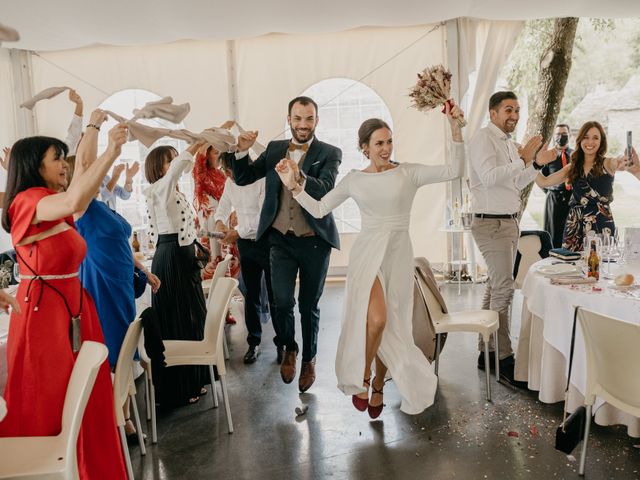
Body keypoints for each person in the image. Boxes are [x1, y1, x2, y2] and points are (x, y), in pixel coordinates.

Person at [275, 104, 464, 416]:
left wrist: (456, 129)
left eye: (389, 142)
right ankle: (363, 376)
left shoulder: (408, 173)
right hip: (368, 254)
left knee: (391, 325)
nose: (386, 148)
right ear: (364, 148)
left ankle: (379, 384)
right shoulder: (354, 180)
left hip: (399, 253)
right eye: (379, 143)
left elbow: (453, 171)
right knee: (376, 319)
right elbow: (321, 209)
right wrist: (295, 188)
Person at [0, 113, 128, 479]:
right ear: (33, 166)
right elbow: (75, 200)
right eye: (56, 158)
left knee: (82, 401)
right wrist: (111, 149)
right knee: (50, 401)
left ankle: (89, 467)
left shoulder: (49, 199)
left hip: (73, 308)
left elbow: (81, 185)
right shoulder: (27, 202)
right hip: (44, 317)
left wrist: (100, 141)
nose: (63, 164)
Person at [233, 96, 341, 393]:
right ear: (289, 119)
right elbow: (243, 177)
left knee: (308, 304)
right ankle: (289, 347)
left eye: (309, 119)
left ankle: (309, 359)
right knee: (281, 300)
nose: (303, 125)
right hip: (279, 239)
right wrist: (241, 151)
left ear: (316, 121)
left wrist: (298, 174)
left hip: (314, 242)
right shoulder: (274, 149)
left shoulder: (330, 153)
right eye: (298, 118)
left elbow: (326, 188)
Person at [468, 91, 556, 386]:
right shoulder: (483, 139)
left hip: (507, 223)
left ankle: (485, 352)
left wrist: (536, 165)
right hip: (490, 224)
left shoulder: (506, 143)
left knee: (495, 287)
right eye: (508, 110)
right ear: (493, 113)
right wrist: (523, 158)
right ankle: (502, 359)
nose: (514, 116)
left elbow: (516, 182)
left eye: (517, 110)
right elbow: (490, 176)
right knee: (504, 289)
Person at [144, 141, 210, 407]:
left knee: (192, 318)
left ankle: (194, 379)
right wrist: (196, 144)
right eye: (169, 159)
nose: (175, 163)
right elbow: (179, 168)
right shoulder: (160, 189)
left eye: (174, 157)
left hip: (181, 255)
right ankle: (179, 388)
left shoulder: (173, 190)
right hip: (169, 257)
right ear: (158, 168)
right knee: (178, 319)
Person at [214, 152, 276, 364]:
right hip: (245, 245)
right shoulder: (230, 184)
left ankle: (283, 344)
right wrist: (220, 223)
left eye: (229, 170)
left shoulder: (262, 180)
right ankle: (254, 342)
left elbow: (262, 219)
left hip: (266, 242)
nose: (227, 174)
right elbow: (221, 209)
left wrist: (236, 232)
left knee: (276, 295)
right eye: (224, 170)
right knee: (250, 294)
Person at [535, 121, 626, 252]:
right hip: (574, 225)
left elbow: (616, 161)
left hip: (600, 224)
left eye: (595, 138)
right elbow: (543, 182)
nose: (590, 142)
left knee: (601, 268)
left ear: (601, 141)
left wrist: (621, 160)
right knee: (572, 268)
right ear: (580, 139)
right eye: (586, 137)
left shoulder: (606, 163)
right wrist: (534, 163)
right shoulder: (572, 167)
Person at [193, 121, 240, 283]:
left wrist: (236, 211)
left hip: (221, 220)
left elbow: (231, 198)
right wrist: (221, 129)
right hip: (207, 224)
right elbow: (201, 146)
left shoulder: (223, 175)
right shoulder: (200, 172)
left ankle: (224, 303)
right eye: (215, 152)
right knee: (214, 263)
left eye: (221, 152)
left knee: (227, 263)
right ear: (207, 155)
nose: (219, 156)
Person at [542, 124, 573, 248]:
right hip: (554, 199)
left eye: (564, 134)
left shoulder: (575, 155)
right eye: (558, 134)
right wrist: (552, 191)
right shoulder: (548, 155)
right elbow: (542, 178)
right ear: (554, 137)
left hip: (571, 199)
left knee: (569, 232)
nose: (561, 137)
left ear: (569, 135)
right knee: (553, 233)